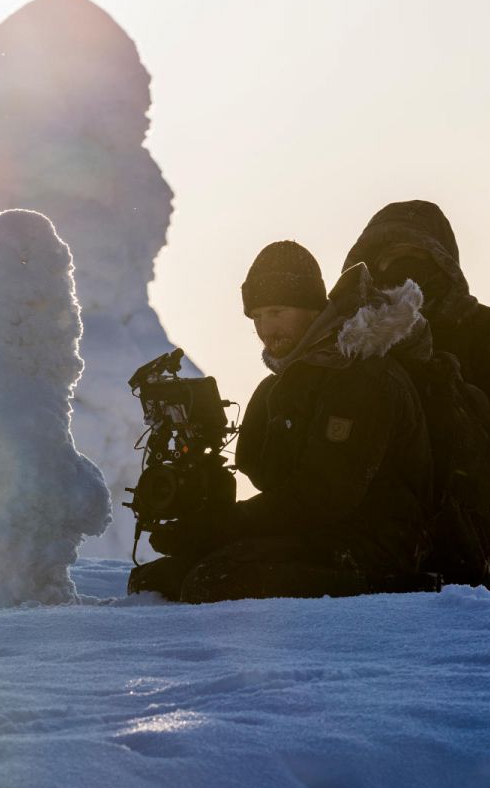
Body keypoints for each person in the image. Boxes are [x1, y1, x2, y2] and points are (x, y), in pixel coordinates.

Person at [135, 241, 433, 603]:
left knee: (217, 582)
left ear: (311, 308)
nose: (265, 328)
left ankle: (397, 595)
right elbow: (278, 485)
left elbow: (324, 496)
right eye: (257, 316)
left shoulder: (360, 377)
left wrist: (221, 529)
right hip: (314, 536)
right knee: (154, 581)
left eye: (277, 312)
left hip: (374, 549)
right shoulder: (288, 384)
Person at [343, 201, 490, 591]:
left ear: (443, 264)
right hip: (365, 530)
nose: (401, 271)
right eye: (386, 260)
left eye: (416, 257)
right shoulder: (352, 341)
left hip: (470, 534)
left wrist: (466, 443)